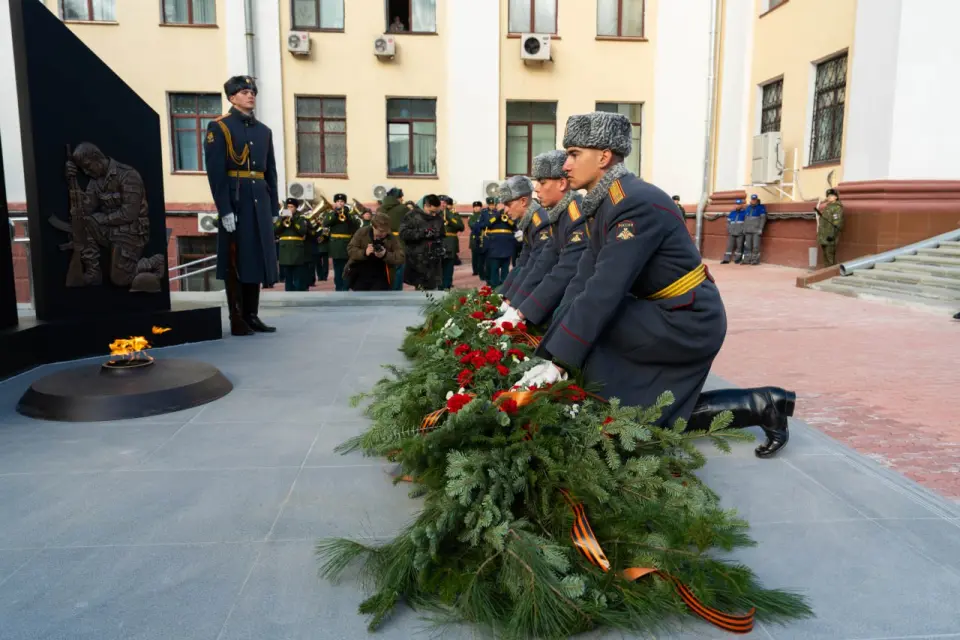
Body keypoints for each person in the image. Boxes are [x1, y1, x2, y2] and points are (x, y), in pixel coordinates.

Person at [516, 111, 796, 458]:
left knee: (629, 398)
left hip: (688, 319)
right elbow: (581, 282)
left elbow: (604, 289)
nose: (566, 165)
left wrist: (559, 363)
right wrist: (546, 356)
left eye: (574, 154)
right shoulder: (605, 202)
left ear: (603, 157)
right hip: (663, 311)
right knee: (635, 400)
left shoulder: (633, 202)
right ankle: (763, 404)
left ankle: (762, 405)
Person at [204, 75, 278, 336]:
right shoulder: (220, 127)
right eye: (244, 92)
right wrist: (224, 209)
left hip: (259, 200)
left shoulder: (263, 131)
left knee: (255, 258)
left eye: (252, 91)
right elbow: (216, 172)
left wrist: (273, 208)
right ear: (232, 97)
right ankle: (236, 316)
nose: (250, 95)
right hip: (237, 200)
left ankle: (252, 314)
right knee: (235, 259)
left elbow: (270, 172)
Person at [501, 150, 586, 326]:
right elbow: (534, 265)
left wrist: (521, 311)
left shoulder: (575, 216)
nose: (536, 189)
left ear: (562, 183)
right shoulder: (558, 215)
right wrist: (510, 301)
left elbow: (563, 271)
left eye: (542, 182)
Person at [497, 176, 551, 303]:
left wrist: (511, 300)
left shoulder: (540, 223)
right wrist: (502, 294)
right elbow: (522, 264)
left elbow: (536, 267)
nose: (505, 210)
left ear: (523, 201)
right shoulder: (528, 222)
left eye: (508, 204)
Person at [346, 213, 405, 291]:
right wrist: (365, 252)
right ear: (373, 226)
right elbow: (350, 249)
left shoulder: (391, 237)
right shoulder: (362, 232)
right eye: (381, 231)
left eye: (386, 230)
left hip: (381, 276)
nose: (384, 233)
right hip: (360, 274)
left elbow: (401, 257)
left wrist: (385, 254)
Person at [399, 194, 445, 290]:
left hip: (434, 260)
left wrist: (441, 246)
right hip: (417, 260)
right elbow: (403, 233)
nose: (434, 215)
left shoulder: (438, 216)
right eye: (432, 212)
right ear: (425, 206)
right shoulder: (412, 216)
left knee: (433, 288)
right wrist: (422, 233)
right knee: (421, 290)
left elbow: (442, 234)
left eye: (436, 212)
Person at [324, 193, 360, 291]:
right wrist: (335, 214)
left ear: (345, 203)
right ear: (335, 203)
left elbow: (356, 226)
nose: (340, 203)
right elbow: (326, 223)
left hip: (346, 244)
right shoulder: (331, 214)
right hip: (335, 245)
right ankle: (338, 286)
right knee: (337, 268)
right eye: (338, 201)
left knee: (347, 267)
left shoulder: (350, 214)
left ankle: (345, 286)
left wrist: (347, 215)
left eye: (342, 201)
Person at [274, 198, 312, 291]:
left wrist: (293, 221)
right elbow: (275, 231)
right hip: (285, 249)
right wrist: (282, 221)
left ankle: (299, 292)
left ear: (296, 208)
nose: (289, 209)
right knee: (288, 276)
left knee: (298, 275)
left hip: (296, 249)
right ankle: (288, 291)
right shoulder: (282, 217)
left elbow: (303, 231)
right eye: (288, 207)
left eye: (292, 207)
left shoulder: (300, 218)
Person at [482, 198, 517, 288]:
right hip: (494, 246)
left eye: (503, 204)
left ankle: (504, 288)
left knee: (505, 269)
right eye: (500, 204)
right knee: (494, 269)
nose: (502, 206)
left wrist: (507, 218)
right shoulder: (490, 214)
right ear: (496, 205)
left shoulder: (509, 214)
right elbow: (486, 224)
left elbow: (514, 226)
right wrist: (498, 215)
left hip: (507, 245)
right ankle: (494, 288)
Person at [378, 187, 407, 290]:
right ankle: (396, 290)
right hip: (398, 241)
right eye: (401, 197)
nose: (402, 199)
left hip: (382, 240)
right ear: (397, 198)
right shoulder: (403, 208)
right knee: (399, 267)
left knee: (385, 267)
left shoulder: (380, 209)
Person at [440, 196, 464, 290]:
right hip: (438, 242)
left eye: (444, 203)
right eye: (441, 202)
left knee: (449, 265)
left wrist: (449, 217)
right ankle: (439, 285)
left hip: (450, 242)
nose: (442, 204)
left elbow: (461, 227)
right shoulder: (434, 214)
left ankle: (447, 285)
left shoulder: (453, 214)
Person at [815, 189, 844, 267]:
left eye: (831, 196)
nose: (829, 197)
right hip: (824, 235)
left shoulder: (837, 208)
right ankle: (827, 271)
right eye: (828, 196)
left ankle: (831, 271)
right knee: (825, 256)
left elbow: (837, 222)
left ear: (836, 197)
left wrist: (832, 234)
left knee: (830, 256)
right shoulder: (828, 207)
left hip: (830, 236)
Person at [742, 194, 767, 265]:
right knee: (747, 246)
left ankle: (755, 260)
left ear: (757, 200)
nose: (753, 201)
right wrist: (744, 228)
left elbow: (763, 219)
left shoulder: (761, 207)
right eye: (752, 199)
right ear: (751, 200)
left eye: (755, 200)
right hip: (748, 230)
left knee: (756, 246)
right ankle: (746, 260)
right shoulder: (747, 207)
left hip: (756, 230)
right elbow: (745, 219)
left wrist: (761, 228)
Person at [720, 199, 746, 264]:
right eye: (736, 204)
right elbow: (728, 222)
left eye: (739, 204)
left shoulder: (745, 213)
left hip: (740, 233)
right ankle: (726, 259)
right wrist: (729, 229)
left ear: (742, 205)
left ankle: (737, 259)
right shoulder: (732, 213)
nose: (737, 205)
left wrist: (743, 230)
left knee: (739, 246)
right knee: (729, 246)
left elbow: (746, 223)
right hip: (731, 232)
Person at [467, 201, 485, 277]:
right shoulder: (471, 216)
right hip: (474, 237)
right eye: (475, 207)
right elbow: (471, 225)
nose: (476, 208)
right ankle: (475, 270)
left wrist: (478, 225)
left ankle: (482, 270)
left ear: (481, 207)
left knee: (482, 255)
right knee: (474, 255)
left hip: (482, 236)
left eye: (478, 207)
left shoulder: (484, 215)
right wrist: (480, 225)